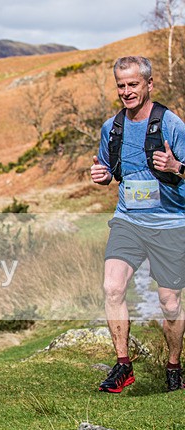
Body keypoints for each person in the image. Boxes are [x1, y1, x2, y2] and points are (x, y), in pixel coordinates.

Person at [91, 56, 185, 393]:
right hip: (128, 219)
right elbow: (108, 169)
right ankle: (123, 366)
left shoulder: (172, 124)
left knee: (170, 303)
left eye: (133, 84)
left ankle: (173, 366)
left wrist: (177, 166)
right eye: (121, 85)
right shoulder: (111, 128)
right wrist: (101, 177)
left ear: (148, 85)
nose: (127, 91)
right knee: (113, 288)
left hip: (171, 223)